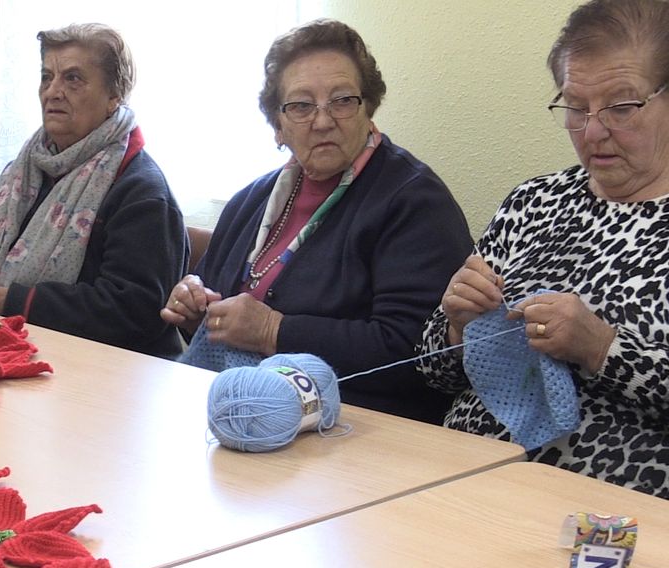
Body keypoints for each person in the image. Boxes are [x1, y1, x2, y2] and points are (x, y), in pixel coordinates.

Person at [161, 19, 472, 423]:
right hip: (235, 412)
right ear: (278, 125)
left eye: (342, 100)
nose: (323, 120)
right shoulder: (251, 201)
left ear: (368, 107)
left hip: (355, 429)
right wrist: (193, 306)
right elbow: (212, 313)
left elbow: (416, 354)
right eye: (302, 105)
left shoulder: (413, 200)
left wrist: (275, 330)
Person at [419, 0, 669, 497]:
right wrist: (455, 325)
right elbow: (431, 369)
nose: (593, 130)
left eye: (621, 106)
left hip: (610, 508)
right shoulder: (533, 201)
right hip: (464, 478)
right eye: (575, 107)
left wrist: (601, 348)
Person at [0, 23, 187, 358]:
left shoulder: (140, 190)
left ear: (115, 96)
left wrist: (17, 302)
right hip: (11, 350)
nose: (53, 91)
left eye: (73, 79)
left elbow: (135, 312)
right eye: (46, 77)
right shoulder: (22, 171)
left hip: (107, 375)